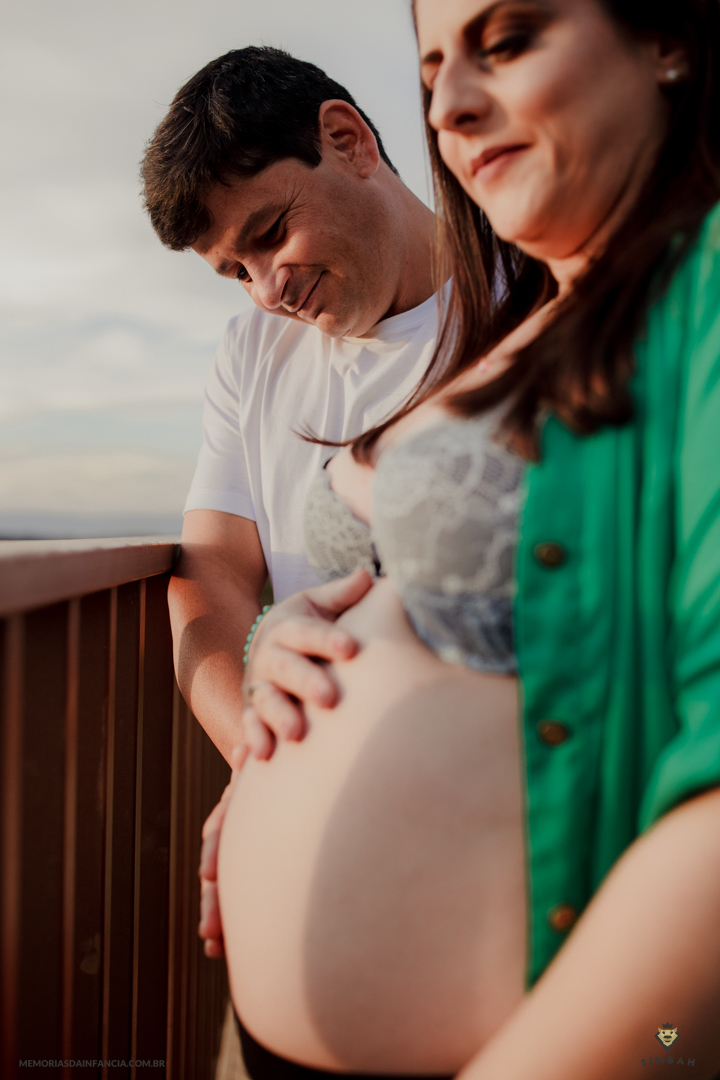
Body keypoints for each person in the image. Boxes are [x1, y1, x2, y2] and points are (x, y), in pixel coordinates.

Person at [210, 0, 720, 1077]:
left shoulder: (701, 293)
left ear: (667, 38)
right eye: (434, 65)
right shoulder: (536, 308)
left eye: (510, 39)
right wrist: (276, 655)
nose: (446, 102)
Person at [140, 46, 440, 764]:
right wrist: (260, 770)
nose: (268, 290)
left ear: (348, 141)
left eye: (270, 234)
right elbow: (211, 578)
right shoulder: (252, 353)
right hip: (327, 797)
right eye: (236, 273)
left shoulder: (541, 300)